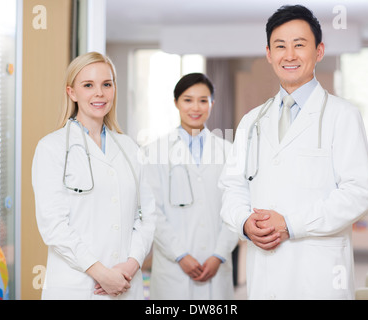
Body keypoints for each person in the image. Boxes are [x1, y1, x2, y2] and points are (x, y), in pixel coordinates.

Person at [219, 5, 368, 299]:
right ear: (268, 54)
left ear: (319, 51)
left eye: (299, 45)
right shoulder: (252, 121)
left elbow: (357, 195)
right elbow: (232, 187)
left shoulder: (342, 116)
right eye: (280, 46)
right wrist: (243, 221)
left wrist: (291, 224)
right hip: (265, 275)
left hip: (319, 277)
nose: (289, 55)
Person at [32, 52, 156, 300]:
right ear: (72, 93)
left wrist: (131, 265)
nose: (99, 93)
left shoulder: (129, 148)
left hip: (125, 282)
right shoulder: (52, 148)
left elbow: (147, 215)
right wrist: (101, 273)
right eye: (88, 85)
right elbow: (54, 226)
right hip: (77, 285)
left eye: (106, 84)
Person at [142, 73, 238, 299]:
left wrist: (219, 255)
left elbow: (235, 208)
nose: (196, 107)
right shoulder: (154, 152)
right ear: (176, 102)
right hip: (173, 269)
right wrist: (181, 255)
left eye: (203, 100)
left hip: (217, 266)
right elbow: (152, 210)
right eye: (188, 99)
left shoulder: (228, 151)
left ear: (212, 104)